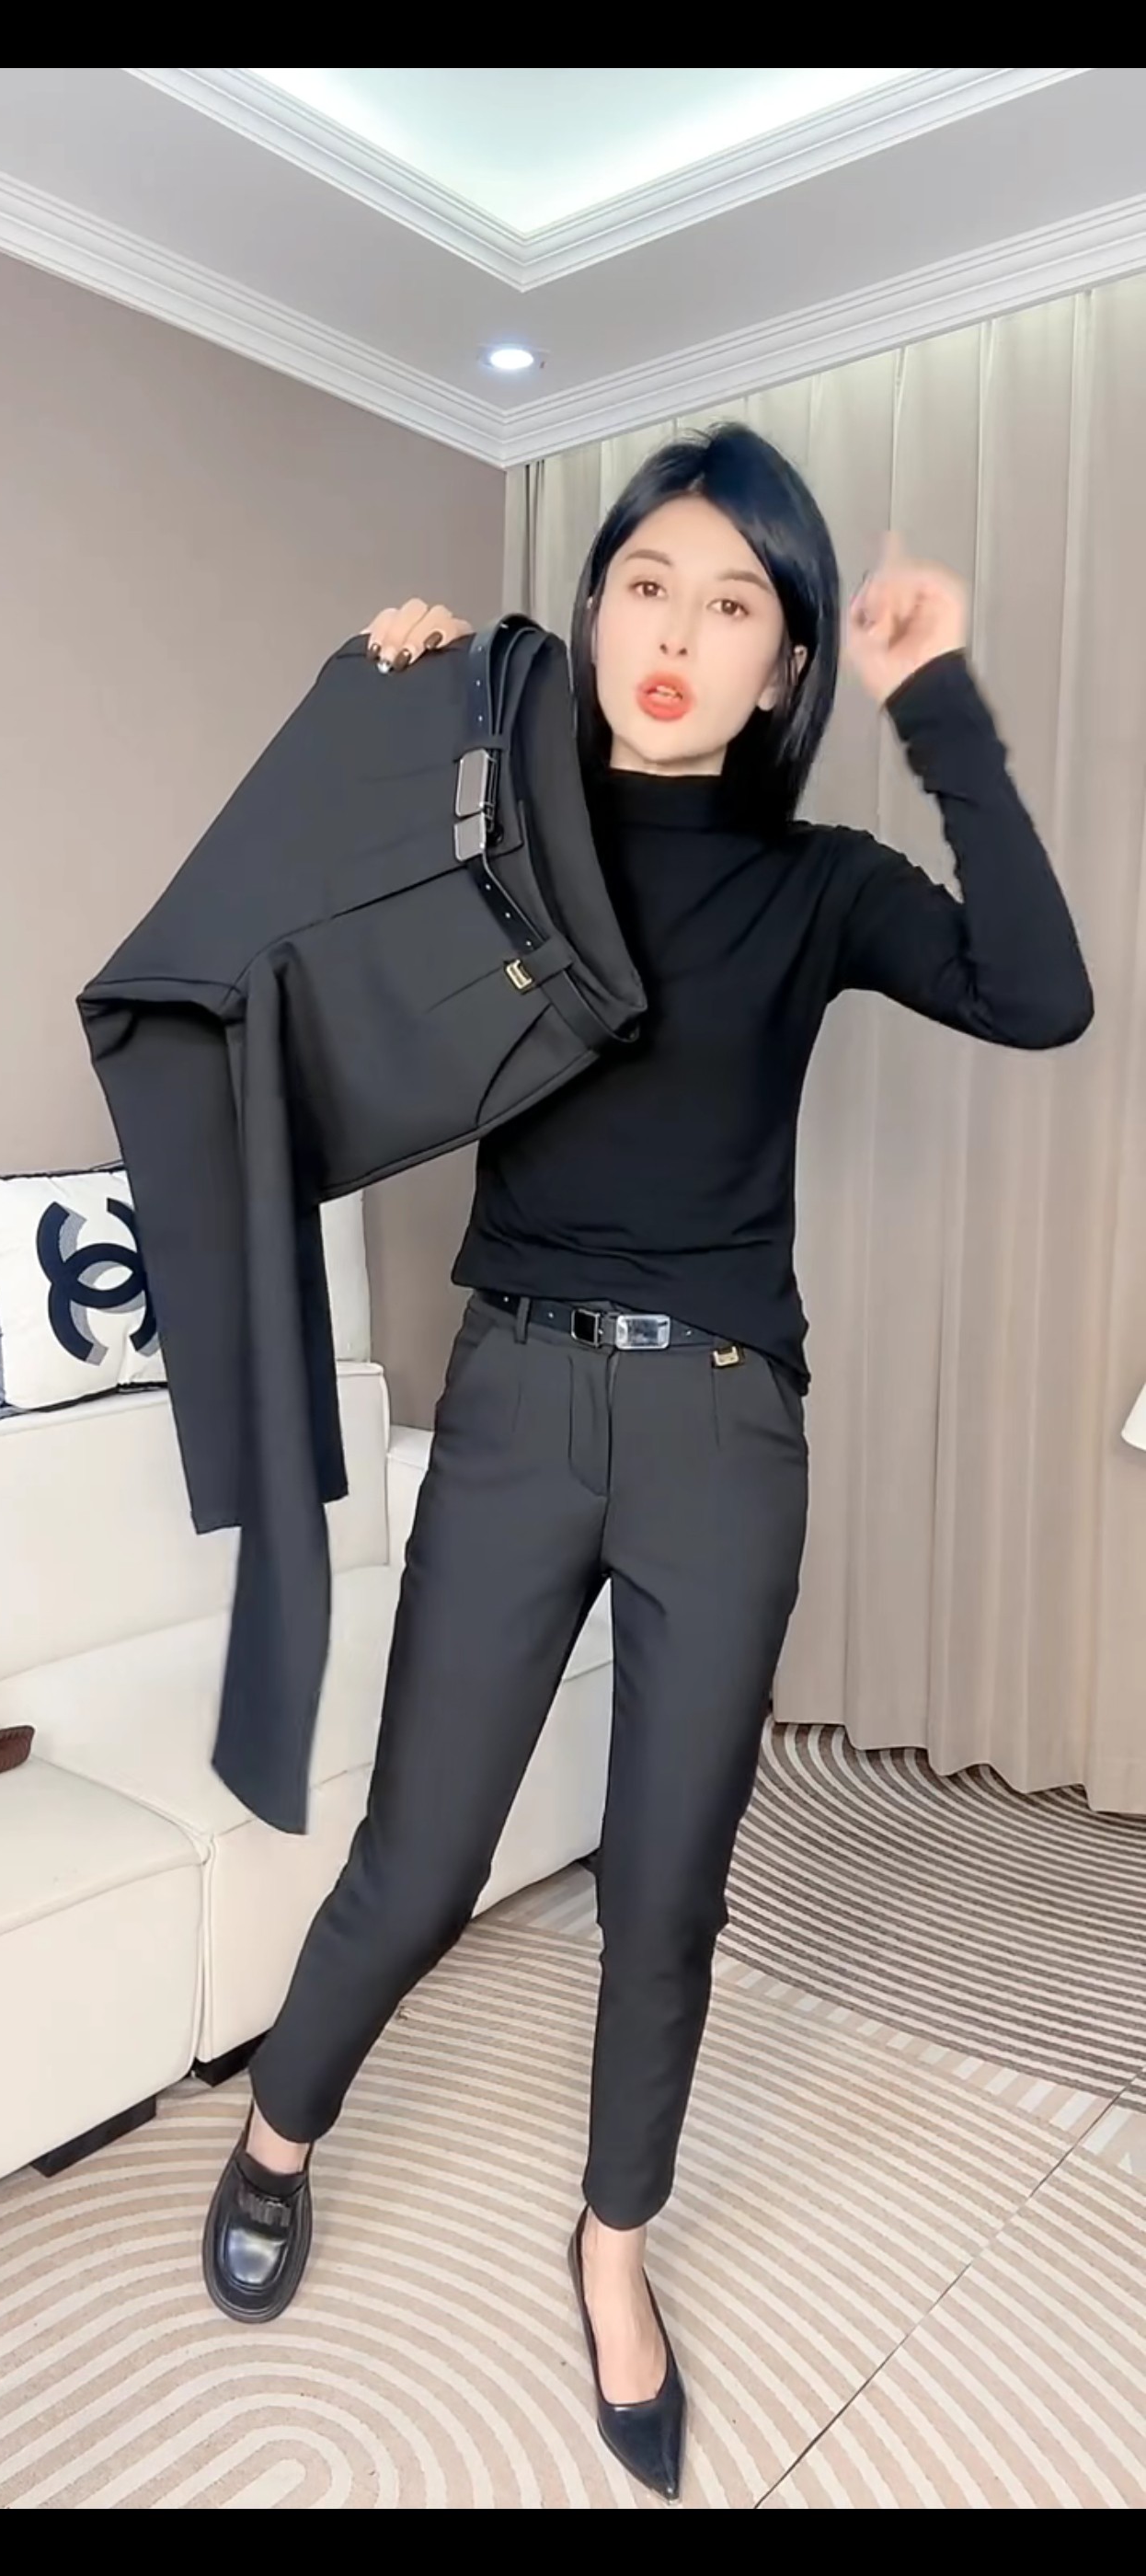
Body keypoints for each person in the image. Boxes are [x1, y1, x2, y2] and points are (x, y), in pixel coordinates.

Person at [201, 423, 1093, 2500]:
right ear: (592, 608)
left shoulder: (820, 884)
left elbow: (1042, 995)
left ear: (787, 666)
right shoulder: (495, 825)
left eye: (734, 601)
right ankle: (276, 2133)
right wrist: (390, 707)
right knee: (422, 1856)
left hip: (723, 1429)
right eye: (646, 583)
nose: (680, 630)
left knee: (669, 1883)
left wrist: (940, 703)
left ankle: (613, 2246)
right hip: (516, 1406)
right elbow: (293, 964)